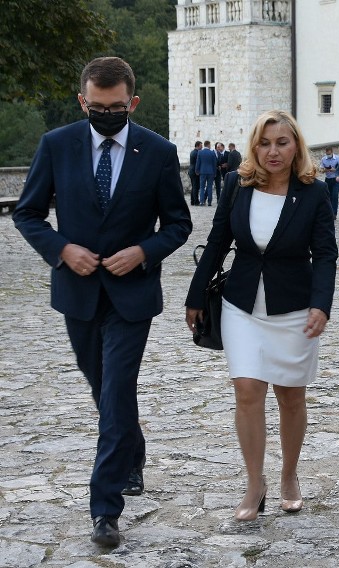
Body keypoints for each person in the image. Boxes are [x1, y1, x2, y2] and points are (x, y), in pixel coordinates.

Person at [13, 56, 192, 547]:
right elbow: (27, 213)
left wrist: (142, 252)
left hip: (132, 297)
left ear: (132, 102)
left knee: (115, 393)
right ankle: (131, 451)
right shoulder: (56, 146)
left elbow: (178, 223)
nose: (106, 114)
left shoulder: (157, 152)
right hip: (77, 294)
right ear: (82, 101)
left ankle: (105, 508)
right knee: (103, 387)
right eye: (97, 107)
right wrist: (61, 249)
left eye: (116, 107)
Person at [185, 109, 337, 522]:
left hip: (295, 308)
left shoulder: (314, 193)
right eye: (265, 143)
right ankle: (255, 482)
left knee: (291, 395)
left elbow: (325, 254)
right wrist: (195, 294)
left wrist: (322, 304)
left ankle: (289, 475)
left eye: (282, 143)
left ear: (296, 147)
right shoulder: (237, 185)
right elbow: (217, 242)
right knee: (248, 391)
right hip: (242, 304)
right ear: (254, 147)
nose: (273, 151)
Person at [320, 146, 339, 217]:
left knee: (335, 196)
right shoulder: (323, 159)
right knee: (328, 197)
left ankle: (334, 213)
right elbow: (321, 170)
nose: (328, 155)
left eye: (329, 153)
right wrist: (326, 170)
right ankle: (330, 212)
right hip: (328, 179)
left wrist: (334, 170)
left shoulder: (338, 158)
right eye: (327, 153)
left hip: (335, 179)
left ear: (332, 152)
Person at [196, 140, 217, 206]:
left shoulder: (200, 152)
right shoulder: (212, 153)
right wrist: (215, 172)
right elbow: (214, 164)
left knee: (202, 187)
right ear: (208, 145)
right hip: (211, 172)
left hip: (202, 171)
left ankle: (202, 201)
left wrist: (197, 170)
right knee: (209, 187)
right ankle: (209, 202)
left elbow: (198, 162)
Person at [189, 140, 202, 205]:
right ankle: (196, 201)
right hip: (195, 171)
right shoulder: (197, 153)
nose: (201, 147)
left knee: (194, 186)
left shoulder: (192, 152)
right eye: (201, 145)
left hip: (191, 170)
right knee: (196, 186)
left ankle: (192, 200)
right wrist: (197, 171)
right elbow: (197, 163)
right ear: (198, 146)